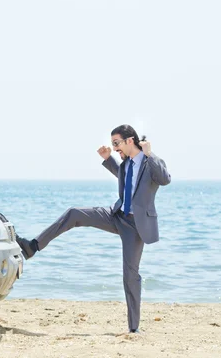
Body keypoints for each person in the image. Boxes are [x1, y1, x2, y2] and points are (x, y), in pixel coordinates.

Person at [16, 124, 171, 333]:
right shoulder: (126, 165)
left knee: (130, 275)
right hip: (116, 215)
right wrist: (108, 159)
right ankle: (33, 246)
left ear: (129, 141)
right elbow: (124, 179)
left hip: (136, 226)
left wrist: (150, 154)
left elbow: (165, 179)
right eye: (112, 143)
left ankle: (133, 328)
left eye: (116, 143)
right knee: (74, 213)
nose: (114, 147)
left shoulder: (149, 162)